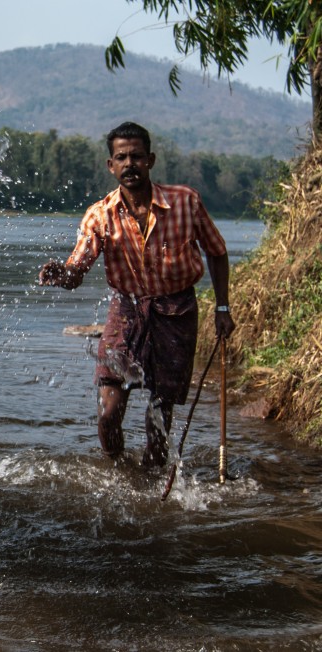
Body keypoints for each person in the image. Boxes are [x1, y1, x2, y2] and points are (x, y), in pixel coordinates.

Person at [39, 122, 236, 466]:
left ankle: (152, 477)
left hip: (176, 311)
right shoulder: (100, 215)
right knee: (108, 411)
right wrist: (62, 274)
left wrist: (222, 307)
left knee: (160, 415)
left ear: (151, 160)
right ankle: (115, 467)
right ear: (110, 165)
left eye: (137, 156)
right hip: (126, 311)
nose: (129, 164)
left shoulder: (184, 202)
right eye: (121, 157)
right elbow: (77, 271)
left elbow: (217, 252)